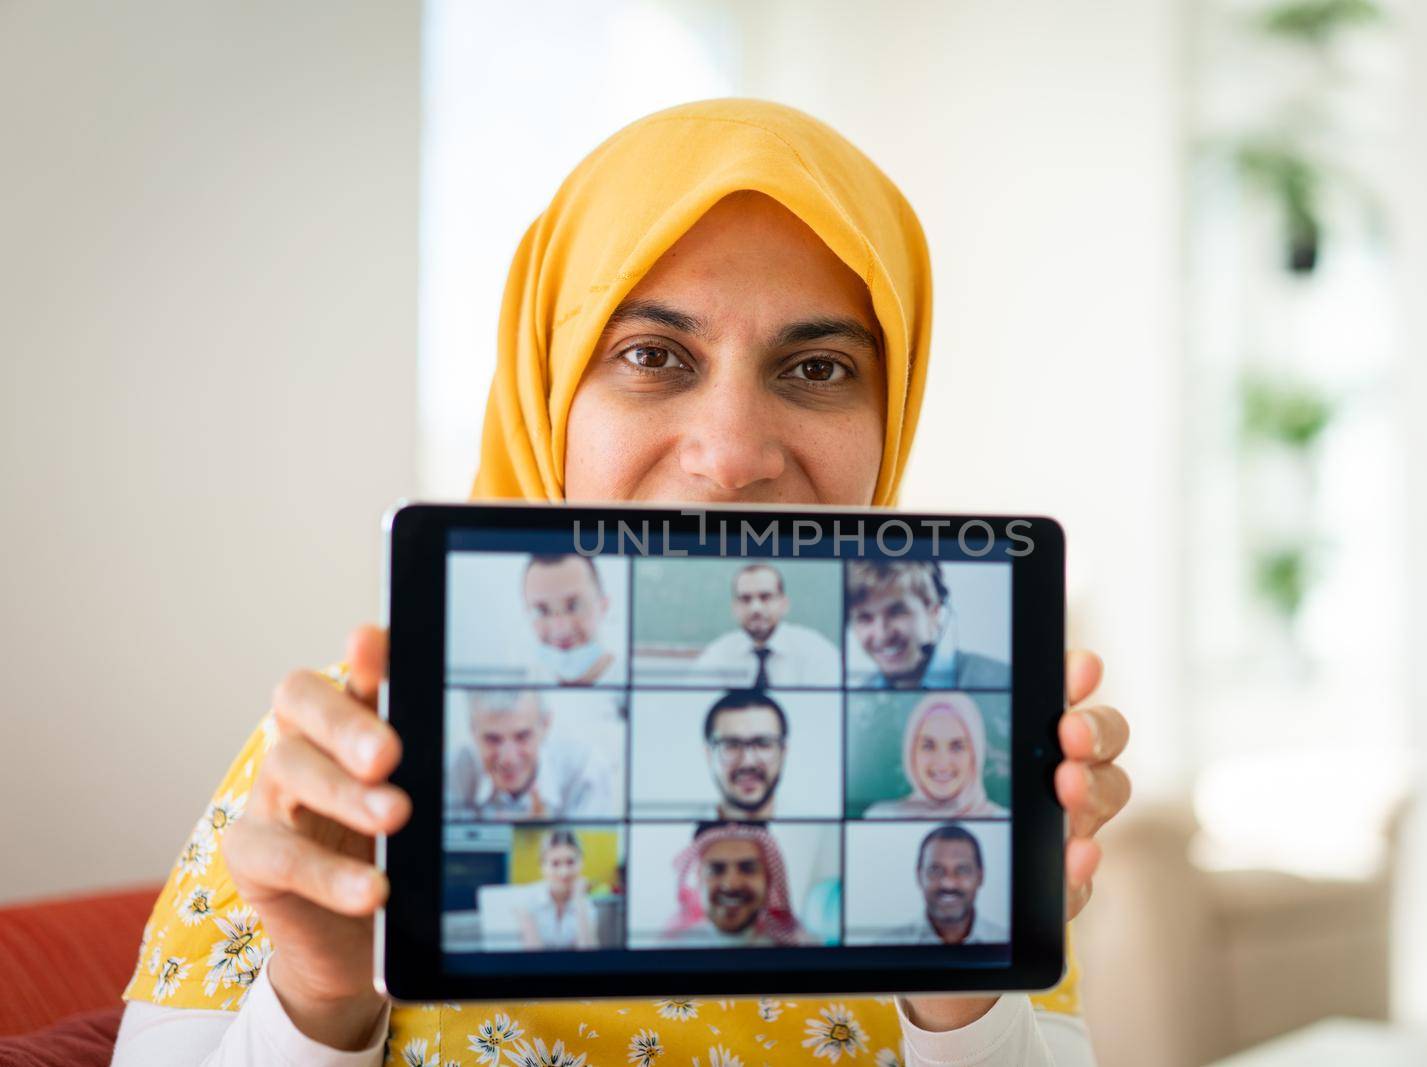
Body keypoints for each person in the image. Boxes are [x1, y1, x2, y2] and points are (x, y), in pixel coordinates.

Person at [115, 99, 1132, 1066]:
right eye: (652, 354)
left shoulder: (943, 763)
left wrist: (961, 983)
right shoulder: (344, 752)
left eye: (817, 368)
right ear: (548, 390)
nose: (732, 453)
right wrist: (319, 993)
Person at [444, 689, 616, 820]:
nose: (508, 759)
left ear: (546, 725)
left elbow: (595, 864)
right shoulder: (452, 770)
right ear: (472, 730)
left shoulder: (584, 769)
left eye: (522, 737)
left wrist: (540, 838)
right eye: (492, 739)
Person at [847, 560, 1012, 689]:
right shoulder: (860, 702)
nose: (882, 634)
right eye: (864, 618)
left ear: (933, 612)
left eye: (897, 612)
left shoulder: (1000, 680)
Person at [661, 821, 812, 947]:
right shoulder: (671, 949)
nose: (731, 884)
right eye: (716, 869)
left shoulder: (802, 948)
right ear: (699, 877)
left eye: (748, 868)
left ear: (768, 878)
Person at [690, 563, 841, 686]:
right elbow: (694, 704)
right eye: (745, 599)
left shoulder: (817, 651)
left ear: (784, 604)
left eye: (766, 597)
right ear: (734, 608)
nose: (756, 608)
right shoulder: (718, 654)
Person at [864, 692, 1009, 818]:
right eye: (928, 746)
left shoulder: (1002, 817)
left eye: (957, 747)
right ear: (911, 753)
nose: (942, 764)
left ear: (976, 754)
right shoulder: (881, 815)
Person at [881, 825, 1006, 946]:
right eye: (935, 870)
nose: (948, 884)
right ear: (919, 876)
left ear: (980, 877)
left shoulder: (1005, 939)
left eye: (962, 870)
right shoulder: (886, 945)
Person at [521, 553, 624, 685]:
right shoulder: (536, 679)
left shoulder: (631, 682)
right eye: (542, 611)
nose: (560, 628)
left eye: (574, 606)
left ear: (603, 607)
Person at [702, 689, 789, 821]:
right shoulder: (675, 838)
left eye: (763, 743)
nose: (748, 761)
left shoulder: (821, 836)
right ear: (709, 755)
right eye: (732, 745)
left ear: (783, 752)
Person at [512, 831, 599, 950]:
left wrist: (579, 901)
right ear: (543, 867)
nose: (564, 872)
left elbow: (590, 958)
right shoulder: (527, 900)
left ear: (581, 863)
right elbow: (533, 957)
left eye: (571, 862)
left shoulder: (586, 905)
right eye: (555, 864)